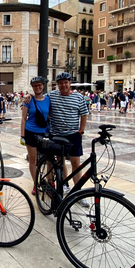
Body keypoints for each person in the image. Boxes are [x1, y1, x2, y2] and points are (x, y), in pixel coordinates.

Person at [47, 72, 89, 206]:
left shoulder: (79, 97)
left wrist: (81, 131)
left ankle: (78, 192)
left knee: (76, 163)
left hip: (73, 135)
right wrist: (29, 96)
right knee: (60, 161)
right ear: (57, 84)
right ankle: (65, 185)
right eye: (60, 83)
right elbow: (39, 97)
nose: (63, 85)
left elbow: (83, 114)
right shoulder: (52, 95)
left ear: (70, 83)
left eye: (66, 82)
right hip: (57, 134)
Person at [20, 76, 50, 195]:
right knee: (33, 160)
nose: (37, 87)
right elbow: (23, 118)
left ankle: (50, 182)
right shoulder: (28, 100)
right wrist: (22, 135)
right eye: (35, 86)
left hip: (44, 132)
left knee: (49, 159)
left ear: (43, 86)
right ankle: (35, 184)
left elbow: (50, 116)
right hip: (31, 132)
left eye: (39, 85)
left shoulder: (48, 100)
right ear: (32, 87)